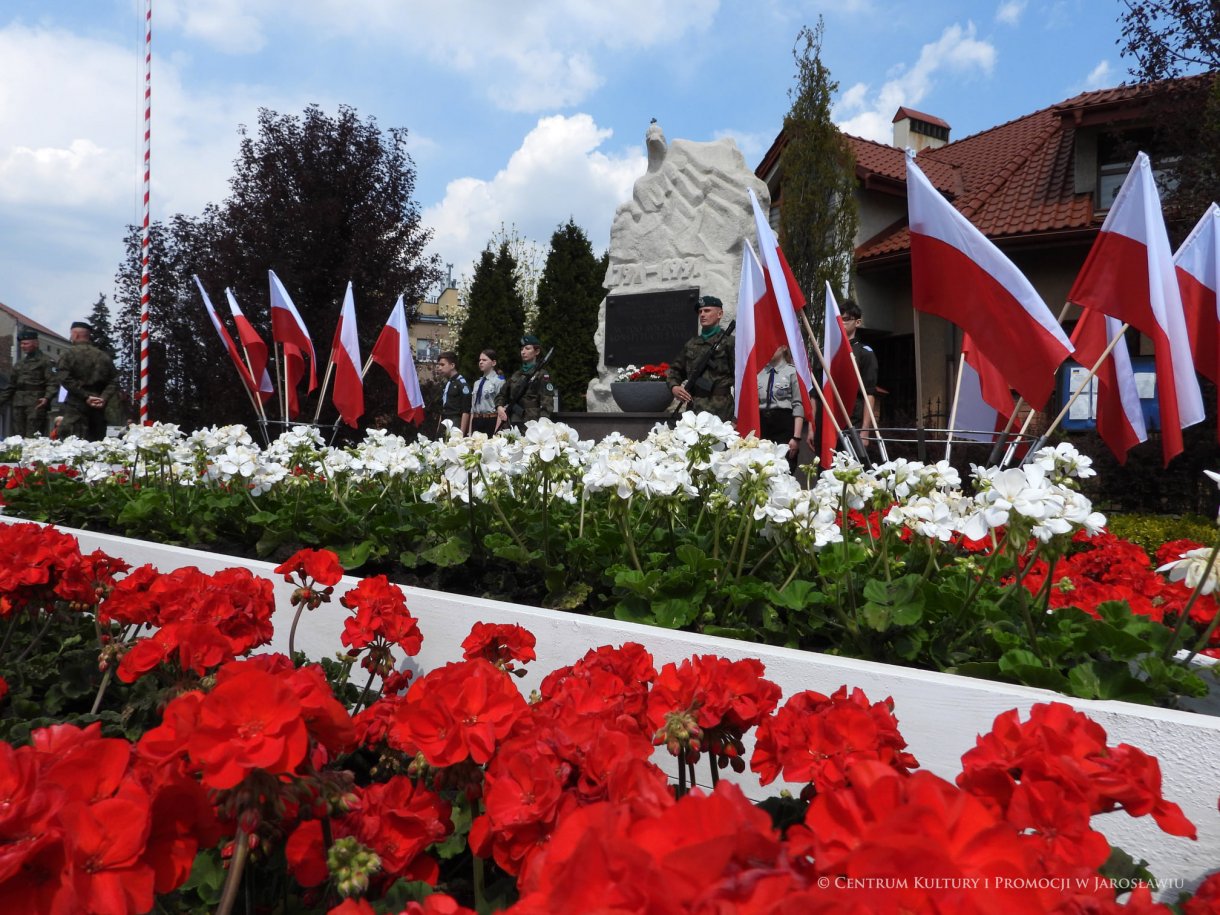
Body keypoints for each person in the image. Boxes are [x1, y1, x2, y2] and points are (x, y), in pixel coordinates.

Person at [666, 295, 735, 421]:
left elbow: (741, 378)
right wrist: (674, 387)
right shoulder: (691, 344)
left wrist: (736, 418)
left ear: (720, 314)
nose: (702, 314)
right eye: (700, 312)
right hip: (694, 408)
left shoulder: (729, 343)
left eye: (707, 311)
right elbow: (674, 370)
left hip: (722, 409)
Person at [56, 321, 118, 441]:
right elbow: (114, 381)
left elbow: (64, 378)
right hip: (98, 408)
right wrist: (103, 398)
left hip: (76, 407)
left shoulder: (68, 355)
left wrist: (85, 397)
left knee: (72, 446)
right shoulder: (103, 356)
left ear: (75, 335)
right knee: (96, 446)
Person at [0, 330, 57, 438]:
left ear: (36, 343)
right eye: (21, 344)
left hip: (36, 403)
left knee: (33, 436)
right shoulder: (20, 364)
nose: (22, 346)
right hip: (18, 403)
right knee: (17, 437)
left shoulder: (45, 361)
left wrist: (47, 398)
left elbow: (52, 383)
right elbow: (11, 386)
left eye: (26, 343)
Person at [757, 346, 805, 473]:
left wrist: (796, 437)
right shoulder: (759, 372)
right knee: (762, 468)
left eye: (773, 345)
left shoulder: (792, 372)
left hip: (783, 425)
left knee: (785, 468)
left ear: (784, 348)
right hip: (762, 425)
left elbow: (798, 404)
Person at [496, 335, 555, 429]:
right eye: (522, 349)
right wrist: (499, 407)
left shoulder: (541, 374)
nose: (523, 352)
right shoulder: (516, 374)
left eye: (527, 348)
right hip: (513, 420)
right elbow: (502, 394)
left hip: (532, 422)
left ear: (537, 351)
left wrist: (543, 421)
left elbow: (547, 400)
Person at [841, 300, 878, 439]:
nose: (841, 323)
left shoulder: (864, 353)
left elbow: (869, 392)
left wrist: (865, 430)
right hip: (828, 418)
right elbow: (815, 392)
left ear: (857, 322)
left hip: (853, 419)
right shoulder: (825, 351)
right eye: (838, 319)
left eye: (845, 319)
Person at [468, 348, 505, 435]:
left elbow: (501, 407)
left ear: (493, 363)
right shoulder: (477, 383)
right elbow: (473, 409)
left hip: (491, 420)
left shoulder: (498, 381)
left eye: (484, 360)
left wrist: (497, 431)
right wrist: (470, 431)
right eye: (480, 360)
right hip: (476, 420)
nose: (480, 362)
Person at [434, 351, 470, 436]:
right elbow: (444, 407)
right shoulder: (448, 383)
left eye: (442, 365)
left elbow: (466, 411)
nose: (439, 368)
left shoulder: (461, 384)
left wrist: (461, 433)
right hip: (444, 421)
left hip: (455, 422)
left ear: (452, 365)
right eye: (439, 365)